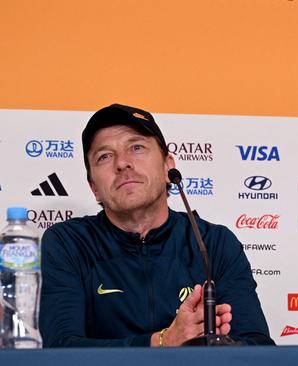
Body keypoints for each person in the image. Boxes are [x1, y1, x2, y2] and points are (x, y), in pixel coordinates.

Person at [39, 104, 275, 347]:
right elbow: (60, 347)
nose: (122, 163)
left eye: (137, 147)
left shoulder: (214, 243)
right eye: (104, 156)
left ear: (167, 167)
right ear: (94, 187)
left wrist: (215, 344)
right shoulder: (69, 242)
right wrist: (163, 342)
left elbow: (258, 345)